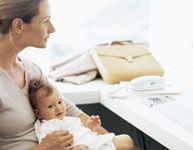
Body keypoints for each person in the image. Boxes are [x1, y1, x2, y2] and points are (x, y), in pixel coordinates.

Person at [0, 0, 134, 150]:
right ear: (18, 25)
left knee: (125, 143)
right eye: (45, 21)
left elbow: (70, 111)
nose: (52, 29)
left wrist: (108, 142)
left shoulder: (32, 69)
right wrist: (43, 148)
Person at [29, 79, 131, 150]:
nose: (58, 108)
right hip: (78, 147)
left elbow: (82, 132)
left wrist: (90, 126)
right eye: (50, 106)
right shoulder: (47, 126)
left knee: (127, 140)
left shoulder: (68, 119)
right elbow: (50, 146)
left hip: (94, 143)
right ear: (38, 113)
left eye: (60, 102)